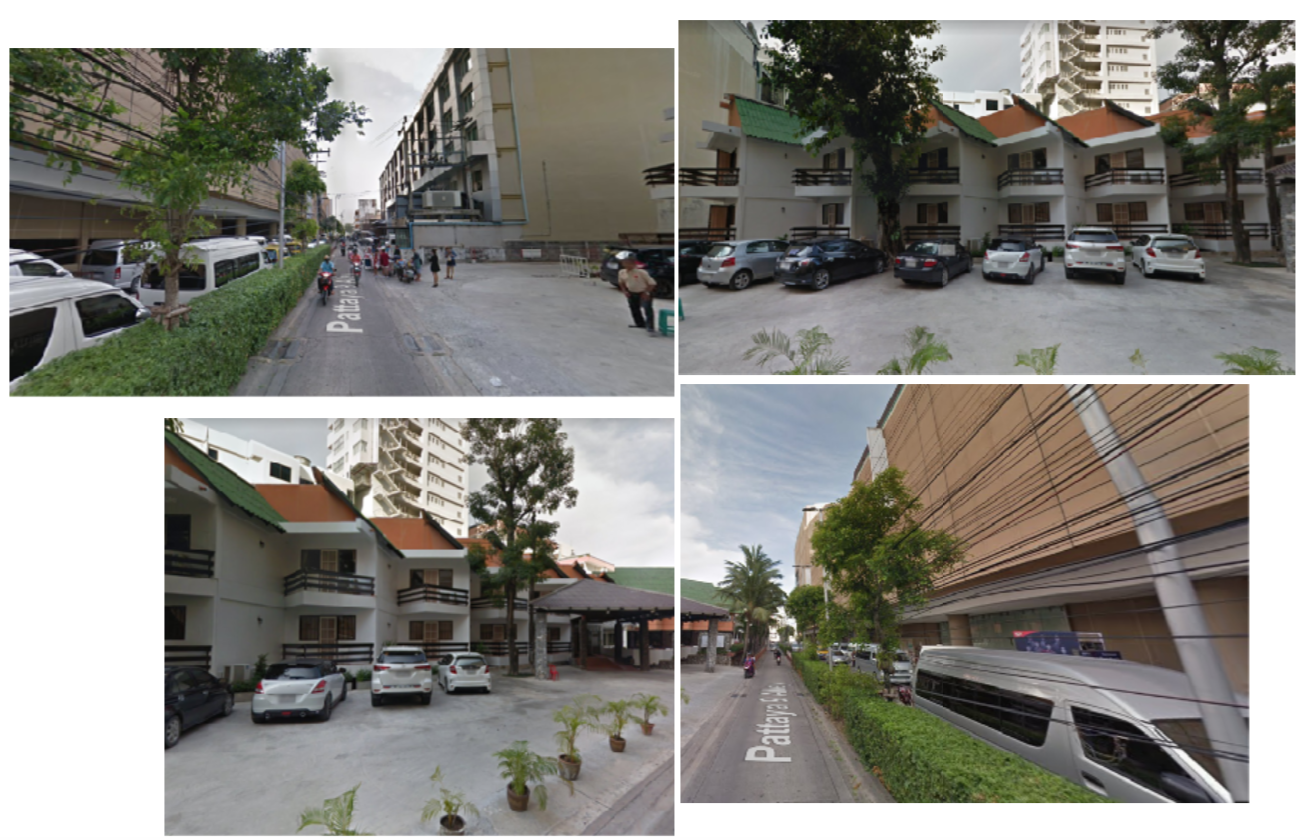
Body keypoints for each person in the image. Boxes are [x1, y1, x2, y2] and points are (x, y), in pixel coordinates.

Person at [617, 254, 656, 334]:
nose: (626, 264)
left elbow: (652, 283)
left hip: (643, 292)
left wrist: (646, 293)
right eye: (624, 262)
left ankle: (650, 327)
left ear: (633, 263)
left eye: (629, 263)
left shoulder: (641, 272)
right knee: (634, 309)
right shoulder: (622, 272)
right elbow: (621, 282)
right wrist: (625, 291)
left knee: (647, 309)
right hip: (631, 293)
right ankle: (640, 323)